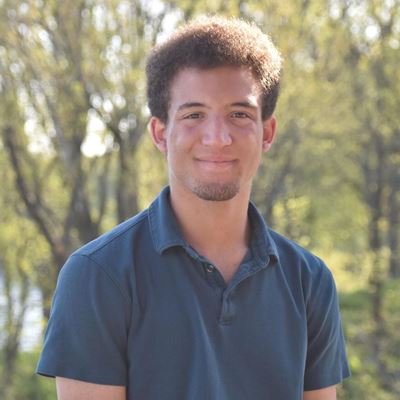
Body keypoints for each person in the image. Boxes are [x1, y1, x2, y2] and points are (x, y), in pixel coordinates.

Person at [37, 16, 350, 400]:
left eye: (239, 114)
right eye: (194, 115)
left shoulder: (309, 281)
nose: (217, 138)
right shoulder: (98, 277)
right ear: (160, 133)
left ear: (267, 132)